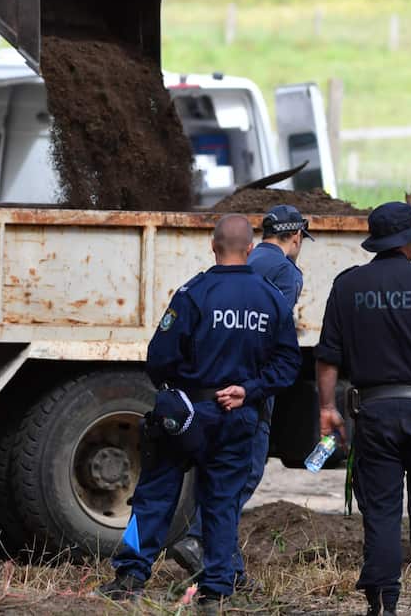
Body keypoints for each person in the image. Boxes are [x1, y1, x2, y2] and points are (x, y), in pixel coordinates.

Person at [100, 213, 301, 609]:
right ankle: (215, 590)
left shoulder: (193, 293)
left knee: (155, 496)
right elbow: (288, 364)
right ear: (249, 249)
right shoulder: (272, 298)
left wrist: (182, 390)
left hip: (186, 415)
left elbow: (158, 358)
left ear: (213, 246)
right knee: (222, 504)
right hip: (238, 415)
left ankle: (130, 577)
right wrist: (250, 390)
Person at [314, 201, 411, 616]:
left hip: (375, 416)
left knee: (381, 513)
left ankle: (383, 603)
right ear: (409, 241)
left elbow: (327, 358)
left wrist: (328, 408)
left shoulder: (347, 286)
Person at [170, 204, 312, 585]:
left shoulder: (222, 274)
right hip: (248, 394)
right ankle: (203, 543)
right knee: (242, 475)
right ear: (295, 237)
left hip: (207, 389)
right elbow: (272, 339)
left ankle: (227, 566)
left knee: (213, 475)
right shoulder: (285, 272)